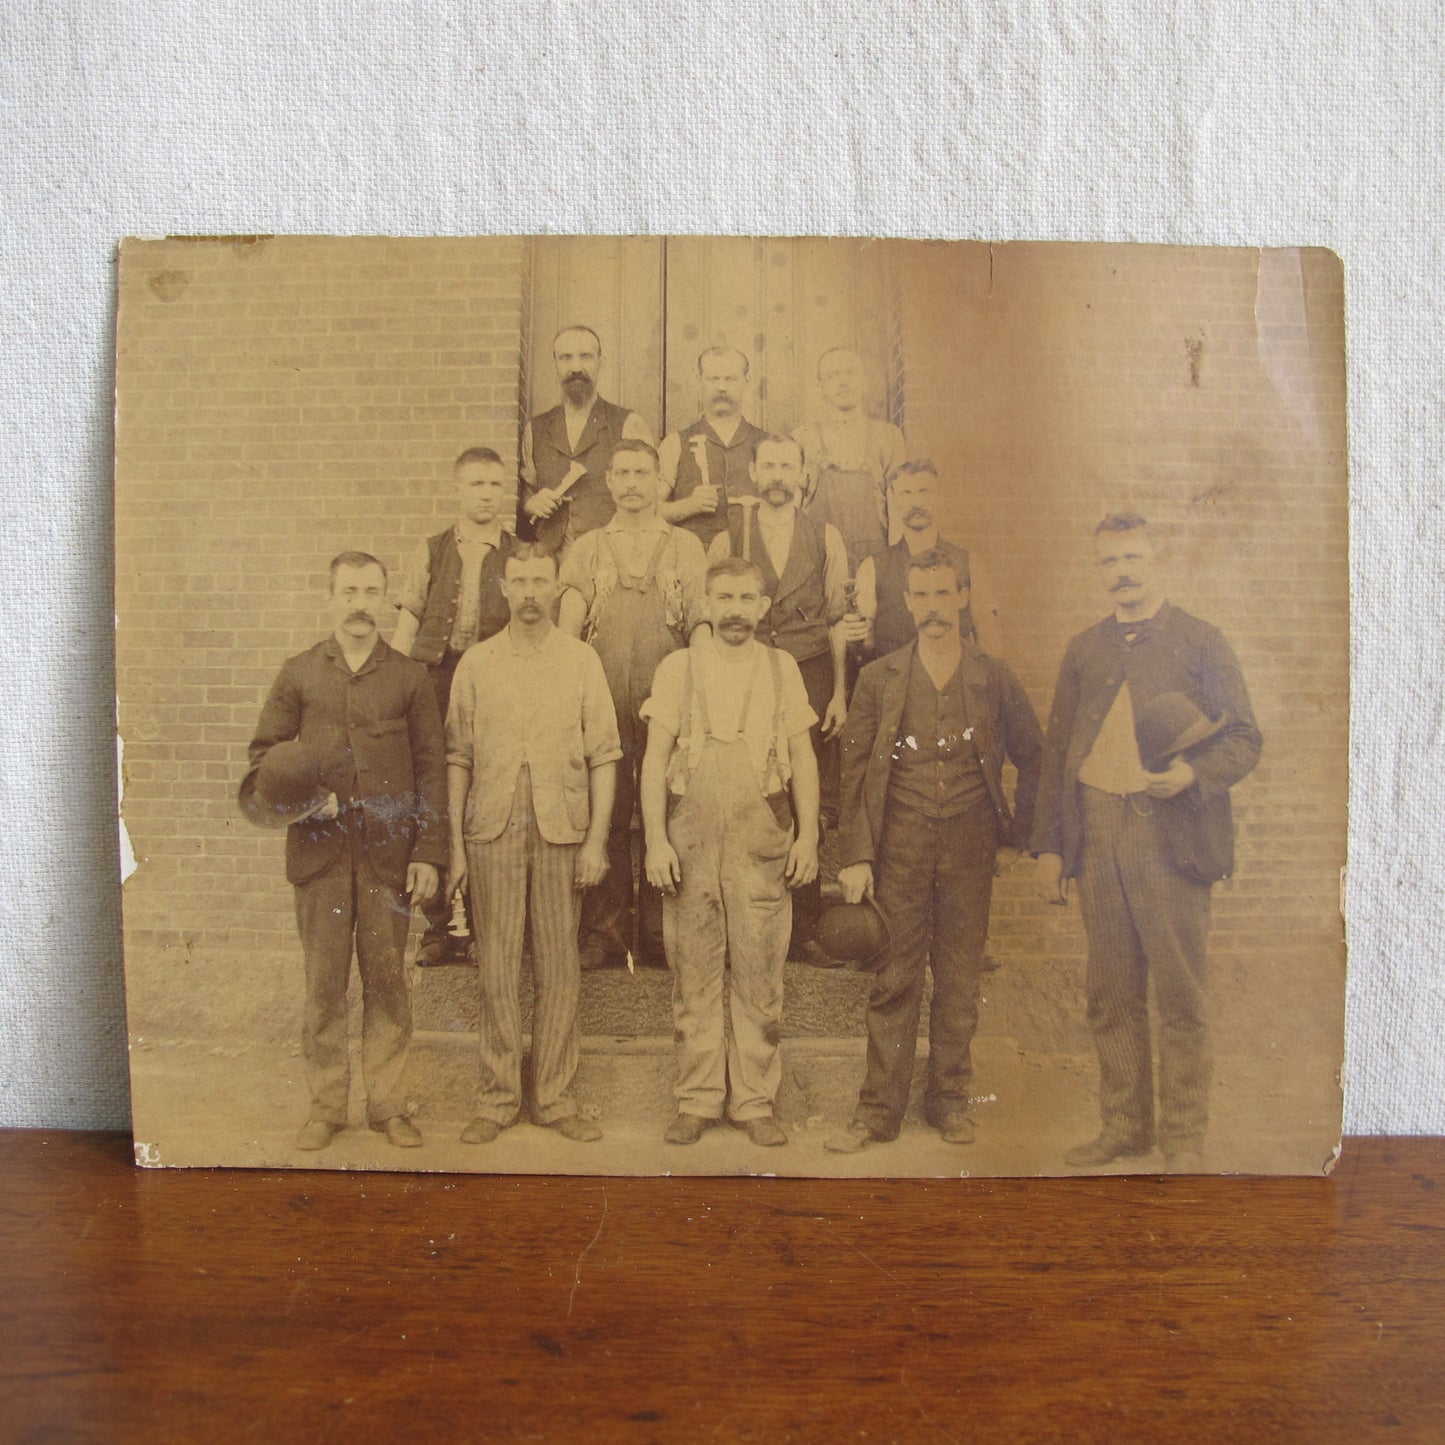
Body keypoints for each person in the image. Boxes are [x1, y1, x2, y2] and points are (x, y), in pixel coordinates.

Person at [1030, 514, 1262, 1172]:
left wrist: (1193, 773)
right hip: (1099, 827)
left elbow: (1244, 736)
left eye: (1133, 557)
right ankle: (1123, 1127)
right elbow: (1055, 756)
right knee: (1110, 988)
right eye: (1109, 561)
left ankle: (1182, 1138)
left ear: (1157, 560)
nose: (1122, 571)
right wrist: (1051, 847)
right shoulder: (1084, 649)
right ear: (1097, 568)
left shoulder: (1199, 640)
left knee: (1180, 991)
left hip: (1170, 834)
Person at [825, 549, 1043, 1154]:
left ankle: (949, 1101)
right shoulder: (880, 678)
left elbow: (1036, 757)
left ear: (963, 597)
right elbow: (855, 771)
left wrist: (1014, 835)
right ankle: (878, 1112)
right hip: (900, 847)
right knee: (894, 979)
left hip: (970, 849)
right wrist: (856, 855)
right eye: (921, 596)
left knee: (957, 979)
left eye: (943, 594)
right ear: (907, 603)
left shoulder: (993, 677)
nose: (932, 608)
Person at [240, 551, 447, 1153]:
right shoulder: (300, 672)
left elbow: (432, 772)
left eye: (371, 591)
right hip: (320, 858)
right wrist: (308, 801)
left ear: (386, 599)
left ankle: (386, 1106)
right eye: (349, 590)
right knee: (324, 984)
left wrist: (429, 853)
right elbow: (264, 760)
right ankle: (326, 1106)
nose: (360, 603)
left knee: (387, 983)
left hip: (388, 857)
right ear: (330, 597)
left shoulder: (409, 677)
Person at [640, 556, 820, 1148]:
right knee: (693, 972)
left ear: (763, 606)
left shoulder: (782, 667)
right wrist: (657, 840)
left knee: (760, 972)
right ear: (706, 605)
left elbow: (805, 758)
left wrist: (810, 837)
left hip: (760, 833)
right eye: (724, 599)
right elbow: (652, 760)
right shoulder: (678, 667)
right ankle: (696, 1099)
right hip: (689, 835)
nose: (736, 611)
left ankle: (753, 1101)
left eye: (747, 599)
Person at [445, 544, 621, 1145]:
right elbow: (457, 759)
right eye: (518, 581)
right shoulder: (475, 663)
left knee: (558, 966)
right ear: (502, 588)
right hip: (492, 827)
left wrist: (596, 839)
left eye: (539, 581)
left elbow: (604, 757)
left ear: (553, 588)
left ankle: (553, 1096)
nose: (528, 593)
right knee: (494, 965)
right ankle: (497, 1099)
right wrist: (456, 846)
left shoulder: (580, 661)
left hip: (560, 829)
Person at [558, 439, 708, 969]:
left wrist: (700, 694)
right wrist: (566, 691)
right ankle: (605, 932)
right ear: (609, 481)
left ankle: (660, 932)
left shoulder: (684, 546)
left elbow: (701, 622)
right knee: (609, 810)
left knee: (668, 810)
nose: (631, 483)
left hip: (667, 702)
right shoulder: (588, 546)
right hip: (602, 705)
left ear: (658, 479)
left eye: (642, 473)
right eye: (621, 473)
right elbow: (569, 625)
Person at [706, 433, 852, 955]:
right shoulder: (731, 536)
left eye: (787, 466)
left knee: (800, 787)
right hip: (745, 668)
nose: (777, 475)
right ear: (754, 472)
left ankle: (805, 928)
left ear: (802, 473)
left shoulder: (824, 535)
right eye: (768, 465)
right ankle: (740, 919)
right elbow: (715, 609)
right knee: (745, 780)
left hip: (807, 669)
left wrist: (837, 692)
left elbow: (837, 618)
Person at [392, 446, 518, 965]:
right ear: (457, 490)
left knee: (487, 793)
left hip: (492, 682)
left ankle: (485, 928)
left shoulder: (518, 553)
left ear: (504, 490)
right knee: (436, 792)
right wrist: (393, 689)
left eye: (493, 484)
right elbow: (408, 623)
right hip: (434, 680)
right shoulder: (432, 550)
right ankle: (440, 928)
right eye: (474, 485)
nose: (485, 494)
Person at [519, 324, 653, 553]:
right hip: (551, 560)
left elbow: (649, 494)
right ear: (555, 364)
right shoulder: (536, 429)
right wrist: (532, 504)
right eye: (566, 358)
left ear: (601, 362)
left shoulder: (628, 424)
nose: (576, 367)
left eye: (586, 357)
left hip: (611, 553)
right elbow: (526, 491)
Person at [852, 459, 1003, 658]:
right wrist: (854, 640)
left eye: (924, 492)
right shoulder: (873, 568)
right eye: (906, 493)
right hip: (895, 684)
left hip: (953, 685)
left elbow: (990, 646)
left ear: (939, 496)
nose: (916, 503)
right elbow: (864, 648)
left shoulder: (968, 564)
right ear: (893, 498)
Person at [793, 347, 907, 571]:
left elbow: (898, 504)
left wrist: (895, 563)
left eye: (850, 373)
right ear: (820, 386)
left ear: (864, 381)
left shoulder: (888, 436)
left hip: (875, 557)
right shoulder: (803, 437)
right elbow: (794, 505)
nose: (843, 382)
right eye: (833, 375)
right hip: (819, 557)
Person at [658, 347, 768, 549]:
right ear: (699, 380)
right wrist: (689, 505)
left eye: (730, 379)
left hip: (753, 561)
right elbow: (646, 511)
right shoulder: (675, 444)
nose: (721, 387)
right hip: (695, 561)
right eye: (713, 379)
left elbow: (790, 510)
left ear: (747, 380)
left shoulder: (766, 444)